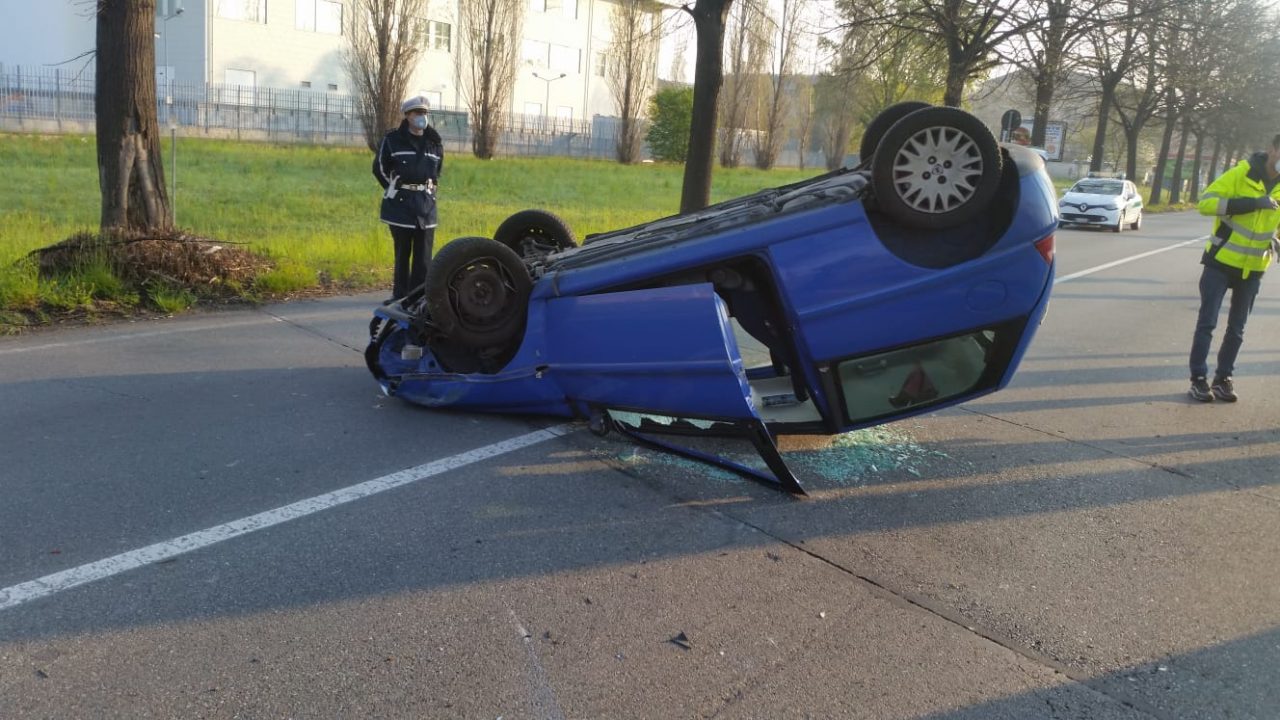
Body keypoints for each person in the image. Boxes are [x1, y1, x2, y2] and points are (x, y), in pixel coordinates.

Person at [1187, 134, 1280, 402]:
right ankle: (1198, 379)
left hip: (1253, 268)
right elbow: (1206, 204)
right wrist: (1252, 203)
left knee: (1237, 329)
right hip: (1220, 263)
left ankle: (1223, 379)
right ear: (1272, 149)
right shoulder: (1240, 174)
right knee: (1207, 323)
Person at [372, 95, 444, 301]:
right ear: (408, 116)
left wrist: (429, 190)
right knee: (403, 253)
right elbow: (379, 168)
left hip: (426, 205)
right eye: (417, 113)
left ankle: (418, 298)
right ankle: (400, 296)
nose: (422, 117)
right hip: (400, 205)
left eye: (425, 113)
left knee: (423, 258)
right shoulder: (393, 140)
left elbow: (436, 172)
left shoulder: (434, 143)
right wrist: (394, 188)